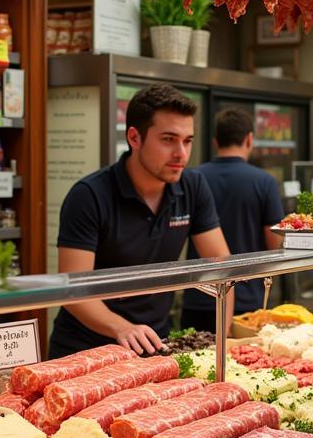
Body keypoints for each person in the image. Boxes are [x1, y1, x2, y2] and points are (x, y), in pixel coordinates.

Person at [49, 84, 231, 357]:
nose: (181, 153)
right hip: (86, 350)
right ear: (134, 138)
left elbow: (222, 268)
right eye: (168, 139)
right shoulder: (89, 195)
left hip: (155, 344)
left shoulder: (193, 187)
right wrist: (122, 328)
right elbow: (75, 290)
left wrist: (220, 345)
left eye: (188, 140)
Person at [181, 108, 284, 333]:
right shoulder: (264, 181)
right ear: (249, 139)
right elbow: (274, 243)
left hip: (198, 296)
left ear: (216, 141)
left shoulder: (193, 179)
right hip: (247, 301)